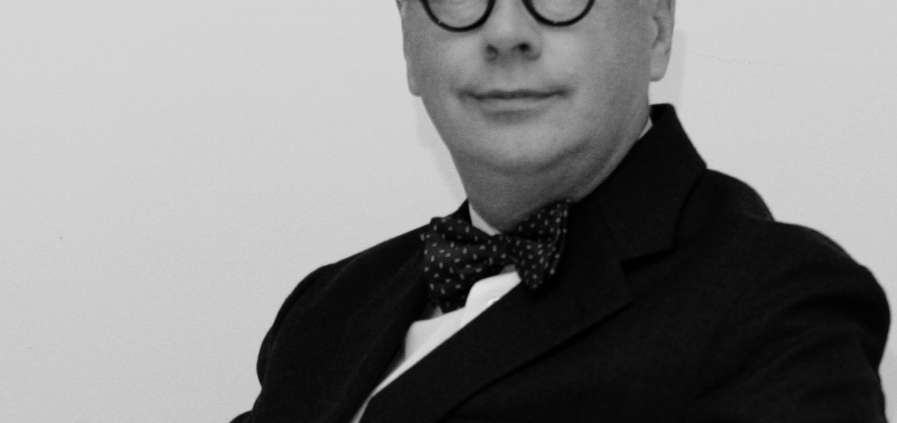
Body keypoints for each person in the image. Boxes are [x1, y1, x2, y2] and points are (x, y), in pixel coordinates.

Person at [232, 0, 890, 421]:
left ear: (656, 28)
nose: (505, 32)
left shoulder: (774, 302)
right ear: (408, 41)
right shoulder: (327, 307)